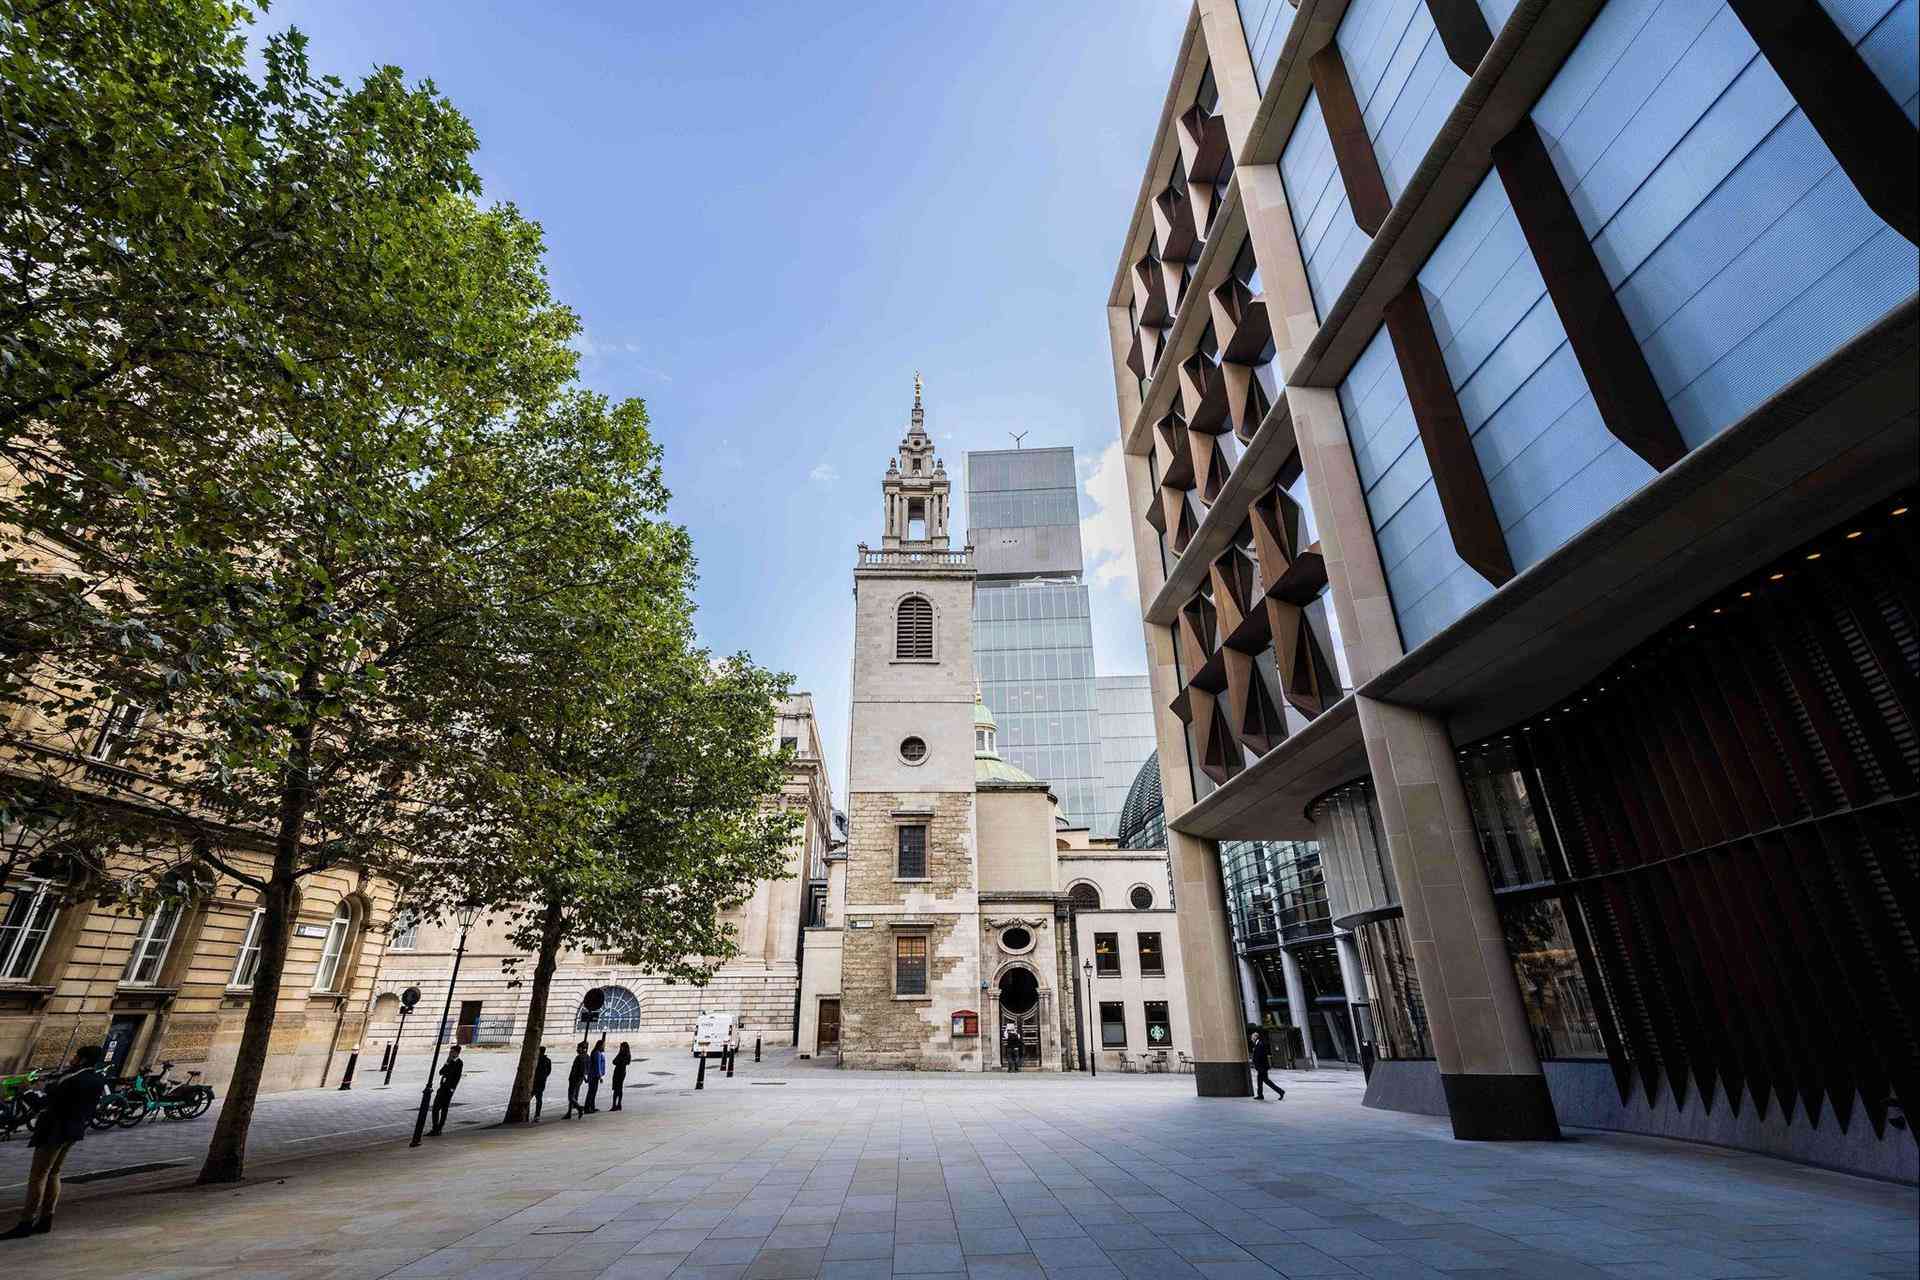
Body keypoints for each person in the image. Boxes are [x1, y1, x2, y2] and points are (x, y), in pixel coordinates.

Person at [2, 1044, 108, 1240]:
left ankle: (26, 1222)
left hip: (54, 1130)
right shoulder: (97, 1079)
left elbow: (45, 1104)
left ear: (83, 1059)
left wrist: (27, 1092)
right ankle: (46, 1218)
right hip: (74, 1130)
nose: (73, 1058)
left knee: (38, 1175)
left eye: (76, 1055)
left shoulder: (72, 1079)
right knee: (54, 1172)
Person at [429, 1044, 463, 1135]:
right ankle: (435, 1128)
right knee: (435, 1108)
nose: (450, 1053)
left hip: (448, 1090)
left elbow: (456, 1077)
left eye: (452, 1052)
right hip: (442, 1088)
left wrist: (452, 1089)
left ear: (457, 1053)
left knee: (444, 1109)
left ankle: (439, 1128)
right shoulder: (449, 1061)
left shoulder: (459, 1063)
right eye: (450, 1052)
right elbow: (441, 1072)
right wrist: (447, 1063)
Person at [1248, 1024, 1284, 1101]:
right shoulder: (1258, 1044)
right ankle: (1260, 1095)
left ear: (1255, 1037)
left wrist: (1254, 1061)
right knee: (1259, 1081)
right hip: (1261, 1067)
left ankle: (1280, 1091)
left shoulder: (1260, 1044)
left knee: (1267, 1081)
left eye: (1252, 1037)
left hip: (1262, 1067)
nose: (1251, 1039)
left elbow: (1261, 1056)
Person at [584, 1036, 607, 1113]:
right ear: (600, 1046)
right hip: (594, 1076)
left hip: (594, 1075)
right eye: (603, 1045)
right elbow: (598, 1065)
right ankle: (587, 1108)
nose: (604, 1046)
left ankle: (592, 1107)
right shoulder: (597, 1053)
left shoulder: (597, 1052)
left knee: (593, 1092)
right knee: (591, 1092)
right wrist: (600, 1076)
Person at [565, 1041, 588, 1119]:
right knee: (573, 1096)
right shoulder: (587, 1056)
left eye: (578, 1048)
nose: (577, 1049)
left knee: (570, 1097)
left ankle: (579, 1108)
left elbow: (581, 1069)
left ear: (582, 1049)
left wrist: (583, 1077)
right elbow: (586, 1069)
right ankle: (569, 1113)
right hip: (579, 1079)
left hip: (575, 1078)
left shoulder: (579, 1057)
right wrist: (584, 1078)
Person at [532, 1046, 553, 1122]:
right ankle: (537, 1115)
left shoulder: (535, 1060)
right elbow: (549, 1071)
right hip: (542, 1082)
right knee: (539, 1099)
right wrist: (544, 1077)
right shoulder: (548, 1060)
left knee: (529, 1098)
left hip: (534, 1082)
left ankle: (526, 1114)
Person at [611, 1042, 631, 1111]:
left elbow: (616, 1061)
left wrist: (619, 1061)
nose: (620, 1048)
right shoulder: (623, 1054)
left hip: (620, 1072)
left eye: (621, 1047)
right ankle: (618, 1104)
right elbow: (614, 1061)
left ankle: (615, 1105)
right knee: (619, 1088)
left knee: (617, 1088)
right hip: (620, 1072)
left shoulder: (623, 1054)